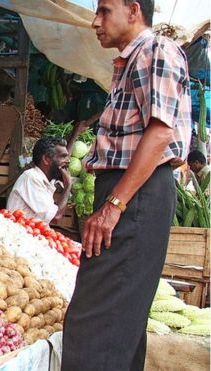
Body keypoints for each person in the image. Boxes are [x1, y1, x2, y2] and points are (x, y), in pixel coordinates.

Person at [62, 0, 192, 370]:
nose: (95, 21)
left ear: (133, 10)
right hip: (132, 191)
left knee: (92, 323)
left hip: (136, 193)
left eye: (104, 10)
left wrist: (114, 205)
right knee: (119, 322)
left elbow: (161, 132)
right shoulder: (131, 61)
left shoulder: (156, 50)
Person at [6, 137, 71, 224]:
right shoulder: (31, 178)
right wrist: (68, 187)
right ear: (46, 159)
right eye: (63, 156)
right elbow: (56, 217)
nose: (68, 161)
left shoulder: (46, 181)